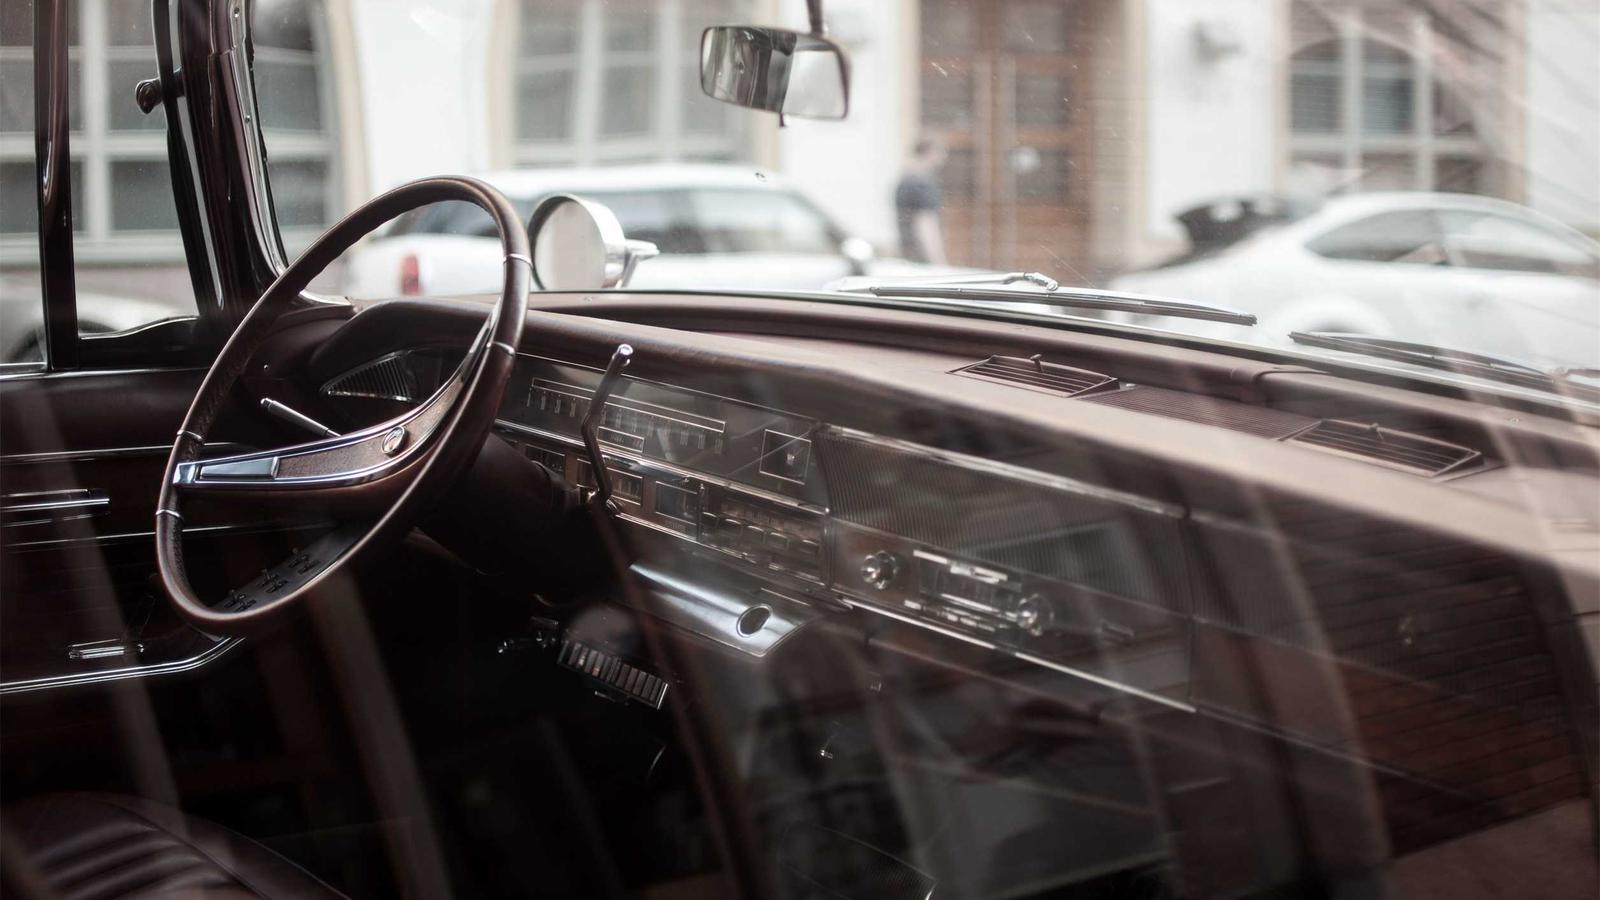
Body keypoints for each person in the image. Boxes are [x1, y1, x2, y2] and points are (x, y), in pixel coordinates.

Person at [895, 137, 949, 265]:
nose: (944, 156)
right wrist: (938, 261)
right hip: (922, 257)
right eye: (941, 152)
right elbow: (926, 222)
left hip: (908, 252)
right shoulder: (922, 182)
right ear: (930, 152)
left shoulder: (906, 178)